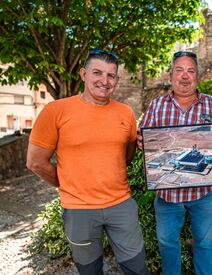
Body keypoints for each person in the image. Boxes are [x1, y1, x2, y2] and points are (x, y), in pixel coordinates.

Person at [26, 49, 149, 275]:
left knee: (138, 269)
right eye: (97, 73)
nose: (104, 81)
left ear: (117, 80)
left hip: (121, 205)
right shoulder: (55, 111)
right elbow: (35, 163)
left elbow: (127, 156)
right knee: (90, 271)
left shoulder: (126, 113)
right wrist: (69, 185)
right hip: (78, 209)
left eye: (111, 76)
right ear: (83, 74)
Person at [137, 51, 212, 275]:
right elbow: (141, 139)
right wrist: (142, 141)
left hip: (203, 194)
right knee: (167, 244)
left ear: (198, 77)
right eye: (179, 70)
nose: (185, 76)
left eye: (190, 71)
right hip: (167, 196)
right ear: (171, 74)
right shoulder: (156, 106)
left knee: (205, 243)